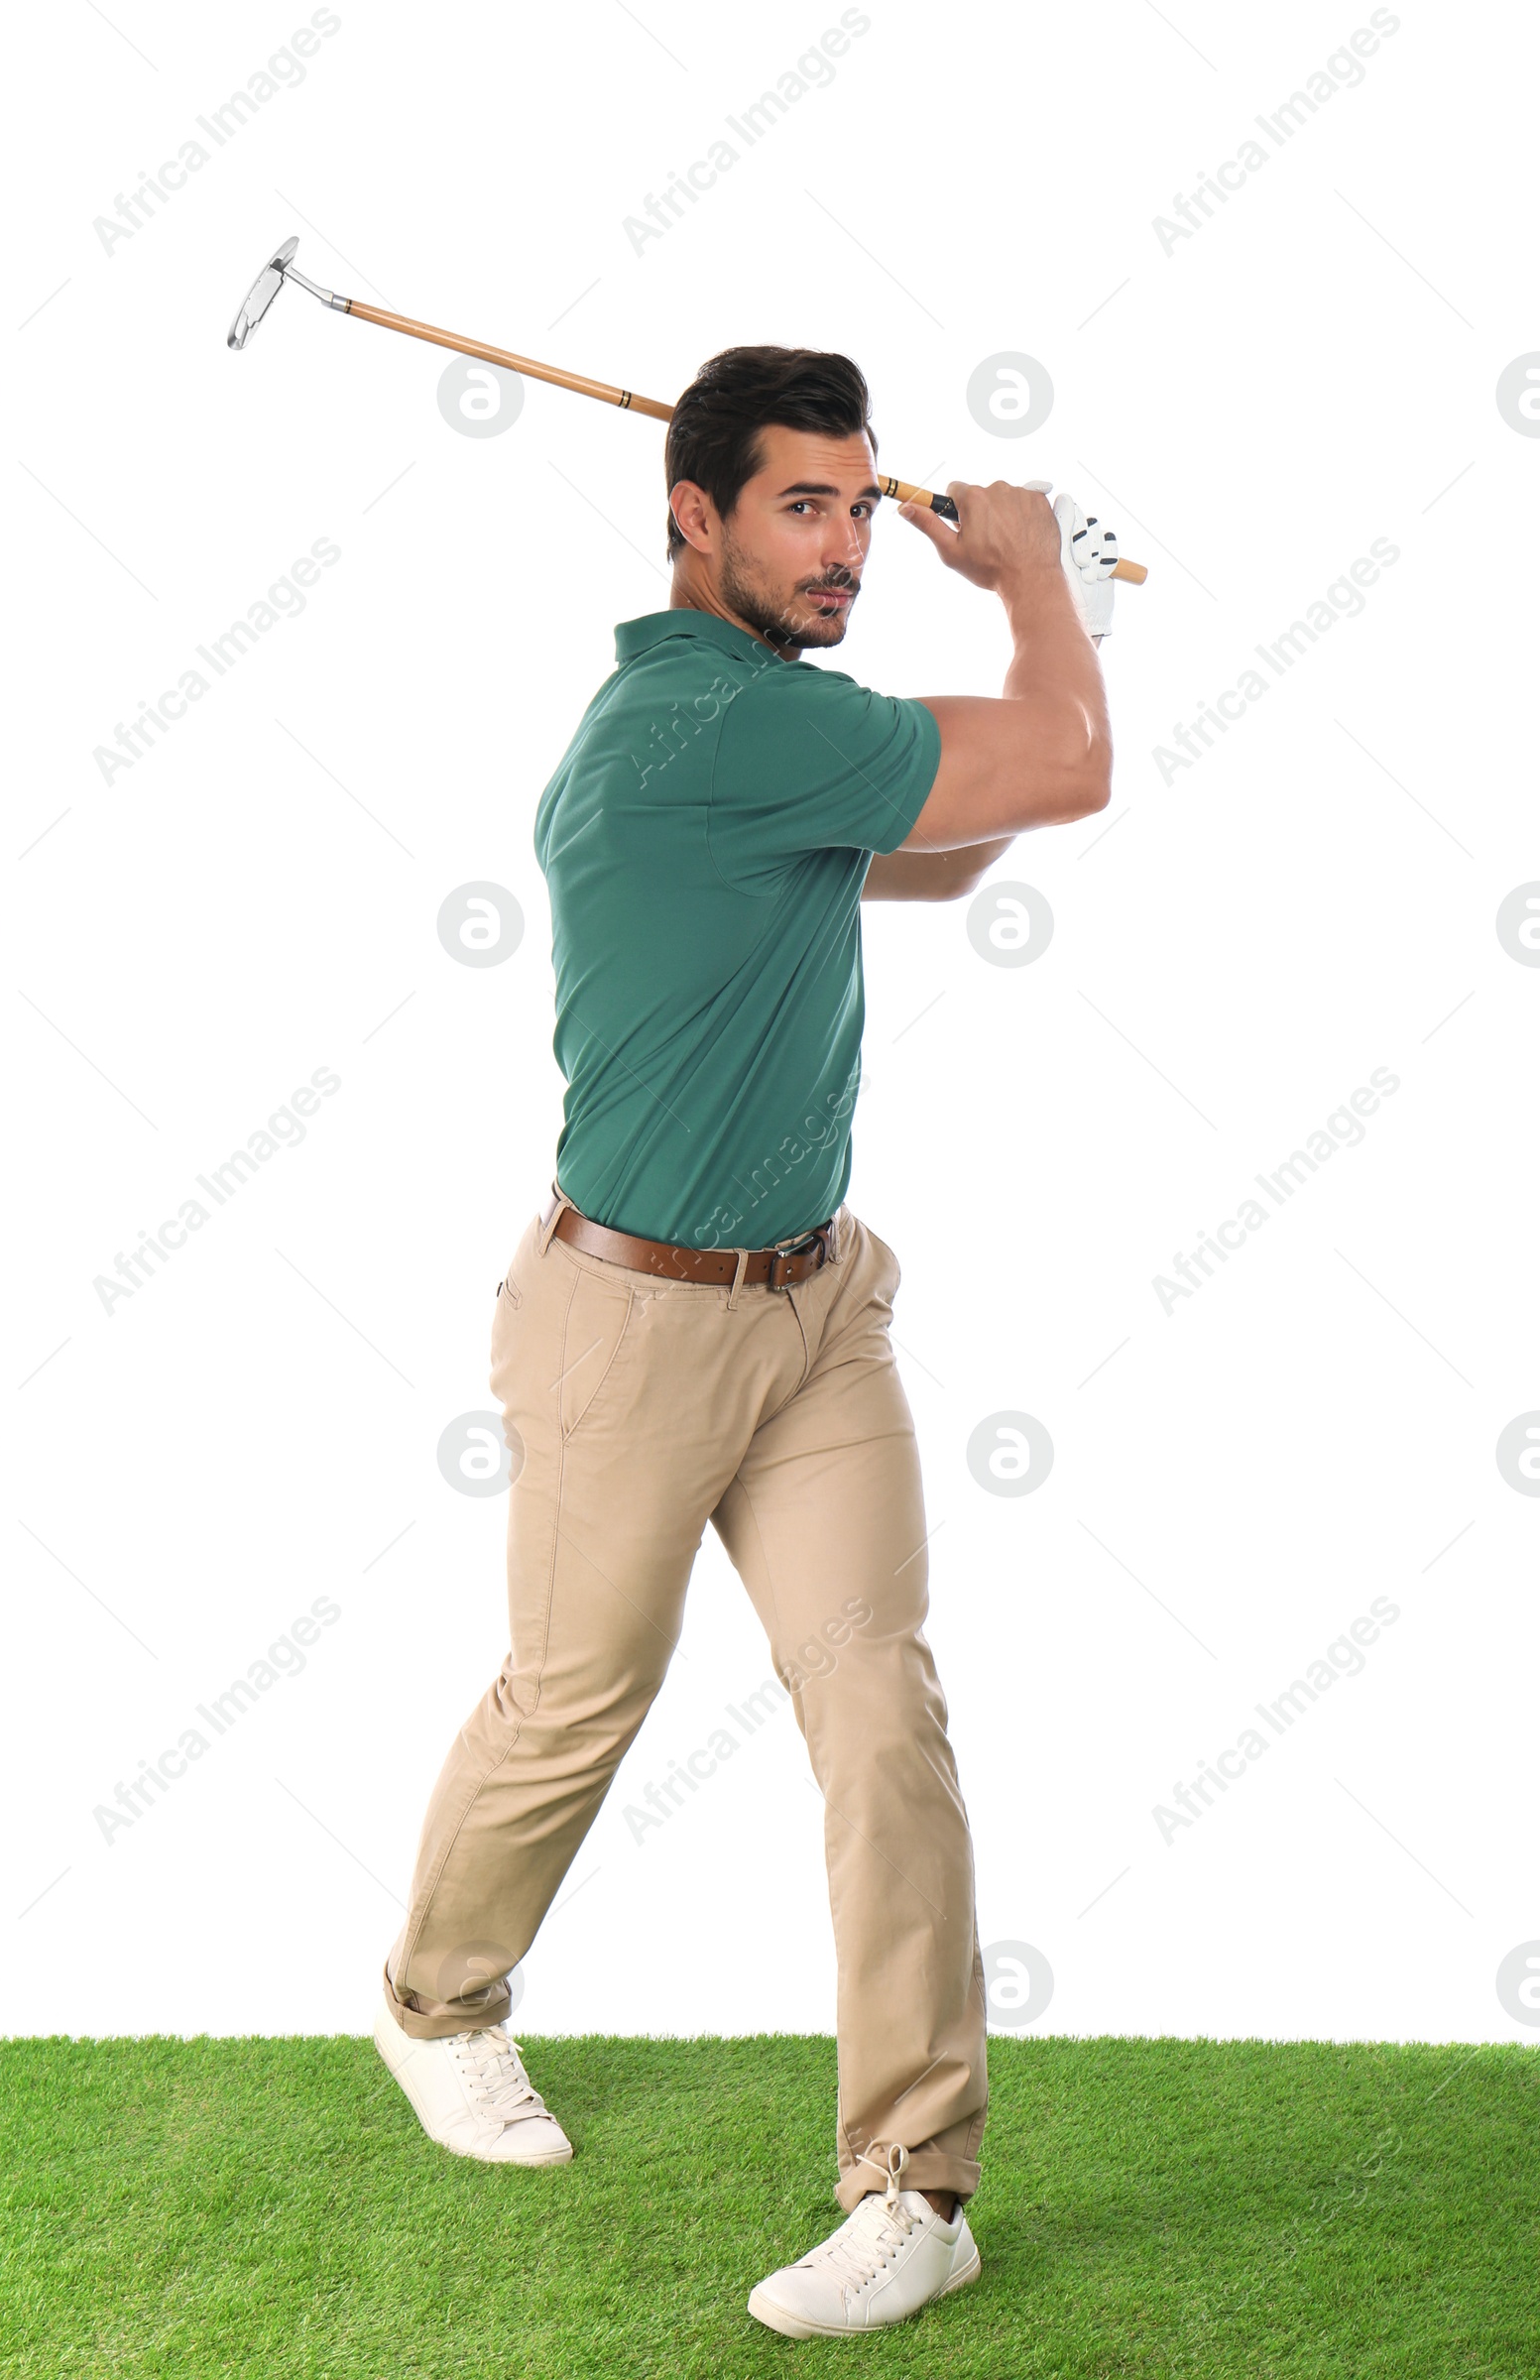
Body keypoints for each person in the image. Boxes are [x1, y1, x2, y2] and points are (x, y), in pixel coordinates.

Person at [373, 344, 1116, 2339]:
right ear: (687, 516)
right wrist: (1036, 586)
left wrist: (1059, 628)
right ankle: (434, 2003)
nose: (844, 544)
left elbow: (955, 837)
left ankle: (911, 2183)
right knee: (575, 1699)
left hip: (813, 1313)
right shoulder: (686, 729)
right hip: (626, 1325)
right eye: (799, 503)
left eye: (861, 507)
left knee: (878, 1708)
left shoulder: (774, 726)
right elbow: (1058, 767)